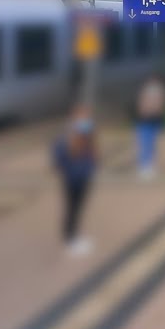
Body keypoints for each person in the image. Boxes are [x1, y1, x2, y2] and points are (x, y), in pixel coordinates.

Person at [54, 106, 97, 257]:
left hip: (84, 178)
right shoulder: (64, 138)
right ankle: (69, 239)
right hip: (72, 180)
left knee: (79, 209)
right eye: (83, 118)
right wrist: (70, 170)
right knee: (72, 209)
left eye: (87, 118)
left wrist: (91, 167)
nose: (86, 122)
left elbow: (92, 156)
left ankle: (76, 236)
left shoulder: (87, 136)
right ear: (75, 119)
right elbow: (58, 159)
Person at [133, 75, 165, 180]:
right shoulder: (152, 89)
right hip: (146, 119)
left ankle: (148, 165)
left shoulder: (156, 89)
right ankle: (145, 165)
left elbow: (158, 104)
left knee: (151, 143)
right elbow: (145, 104)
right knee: (145, 142)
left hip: (152, 118)